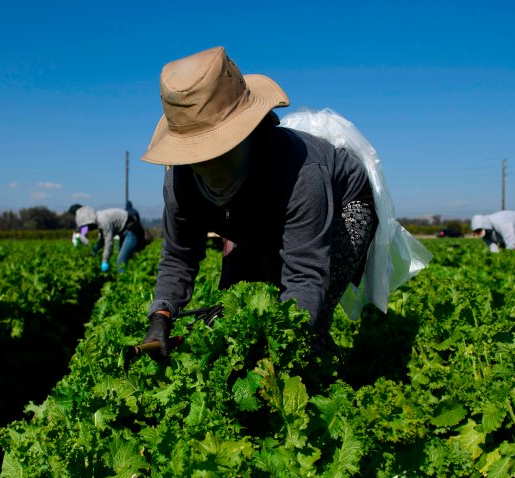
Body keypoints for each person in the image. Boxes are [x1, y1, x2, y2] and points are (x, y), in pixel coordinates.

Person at [139, 46, 380, 358]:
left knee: (303, 327)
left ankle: (320, 383)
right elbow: (178, 256)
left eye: (219, 151)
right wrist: (161, 315)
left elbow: (305, 276)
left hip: (343, 204)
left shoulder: (299, 172)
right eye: (198, 156)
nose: (209, 165)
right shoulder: (180, 181)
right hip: (259, 211)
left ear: (248, 131)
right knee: (234, 307)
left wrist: (271, 334)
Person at [75, 204, 145, 272]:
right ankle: (129, 274)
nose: (88, 229)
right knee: (124, 258)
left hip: (131, 231)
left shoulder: (103, 221)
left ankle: (124, 280)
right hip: (124, 232)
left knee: (120, 261)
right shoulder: (99, 219)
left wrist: (105, 261)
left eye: (87, 226)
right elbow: (102, 240)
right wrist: (94, 251)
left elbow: (109, 242)